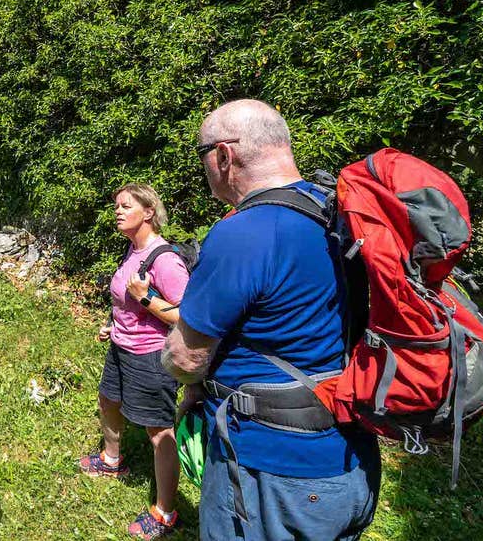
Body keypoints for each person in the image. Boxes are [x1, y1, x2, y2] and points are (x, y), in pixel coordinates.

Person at [162, 99, 381, 541]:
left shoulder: (244, 232)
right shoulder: (334, 210)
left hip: (273, 472)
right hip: (350, 457)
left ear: (224, 155)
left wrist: (178, 367)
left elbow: (185, 358)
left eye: (202, 156)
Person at [79, 183, 191, 539]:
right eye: (116, 205)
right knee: (108, 401)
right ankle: (113, 461)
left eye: (126, 205)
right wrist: (113, 324)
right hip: (120, 347)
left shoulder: (166, 260)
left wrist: (144, 300)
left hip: (151, 356)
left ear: (148, 212)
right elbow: (125, 300)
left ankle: (165, 513)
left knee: (159, 432)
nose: (118, 210)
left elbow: (188, 318)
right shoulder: (133, 250)